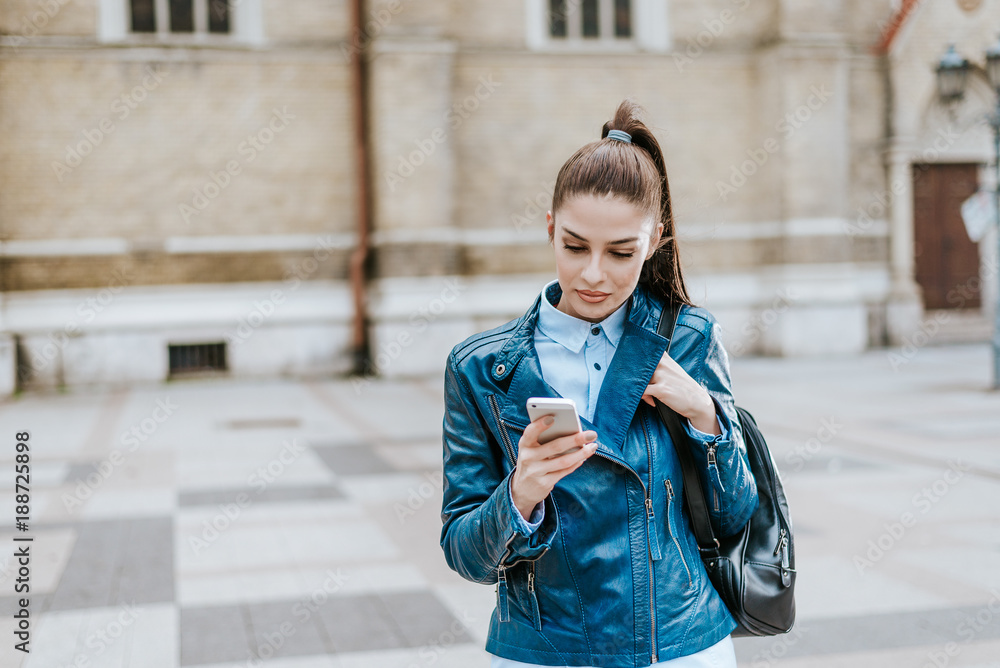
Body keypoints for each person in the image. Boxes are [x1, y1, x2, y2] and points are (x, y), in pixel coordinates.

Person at [439, 99, 758, 668]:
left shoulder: (688, 339)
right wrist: (520, 494)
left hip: (679, 646)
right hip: (542, 652)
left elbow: (737, 512)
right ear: (550, 229)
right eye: (575, 245)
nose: (593, 274)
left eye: (621, 252)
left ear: (656, 240)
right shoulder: (479, 369)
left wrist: (706, 417)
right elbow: (465, 556)